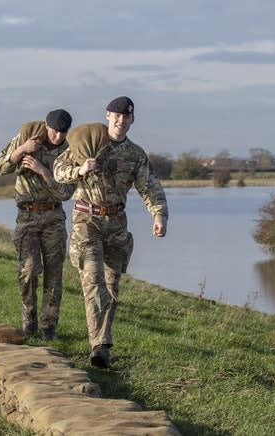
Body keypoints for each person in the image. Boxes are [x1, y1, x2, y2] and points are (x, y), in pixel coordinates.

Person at [53, 96, 168, 368]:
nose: (121, 120)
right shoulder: (88, 143)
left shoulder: (135, 154)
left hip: (116, 224)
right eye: (116, 115)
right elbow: (59, 170)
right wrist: (80, 169)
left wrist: (159, 214)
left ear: (132, 120)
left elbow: (149, 187)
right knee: (93, 279)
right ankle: (100, 346)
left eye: (126, 117)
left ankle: (102, 340)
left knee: (112, 285)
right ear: (107, 116)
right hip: (86, 221)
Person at [0, 109, 75, 340]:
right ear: (46, 126)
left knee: (54, 274)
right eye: (54, 131)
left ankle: (49, 328)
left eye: (63, 132)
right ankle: (28, 320)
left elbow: (65, 192)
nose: (58, 136)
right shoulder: (25, 138)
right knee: (29, 270)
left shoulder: (69, 151)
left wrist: (42, 171)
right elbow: (1, 167)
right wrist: (21, 151)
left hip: (53, 217)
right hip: (27, 217)